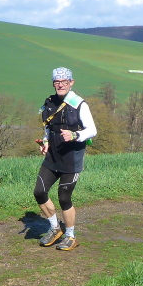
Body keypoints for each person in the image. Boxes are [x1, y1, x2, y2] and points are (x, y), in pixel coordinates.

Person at [34, 67, 97, 250]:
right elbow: (48, 127)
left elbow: (92, 130)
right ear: (53, 83)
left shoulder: (79, 104)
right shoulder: (49, 103)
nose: (60, 85)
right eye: (57, 82)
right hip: (53, 157)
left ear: (71, 83)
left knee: (64, 198)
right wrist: (45, 142)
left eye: (64, 81)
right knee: (39, 192)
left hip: (71, 159)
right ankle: (55, 228)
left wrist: (75, 135)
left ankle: (70, 236)